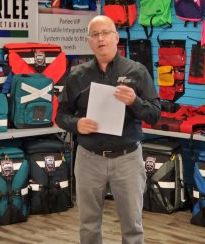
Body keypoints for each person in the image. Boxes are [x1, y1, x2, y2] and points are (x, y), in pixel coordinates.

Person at [55, 15, 161, 244]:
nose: (100, 38)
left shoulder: (137, 72)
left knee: (132, 225)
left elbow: (154, 115)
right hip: (89, 159)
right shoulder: (77, 76)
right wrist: (76, 124)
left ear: (116, 37)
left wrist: (135, 101)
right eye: (95, 35)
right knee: (88, 224)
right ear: (89, 41)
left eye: (105, 33)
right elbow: (60, 116)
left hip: (128, 159)